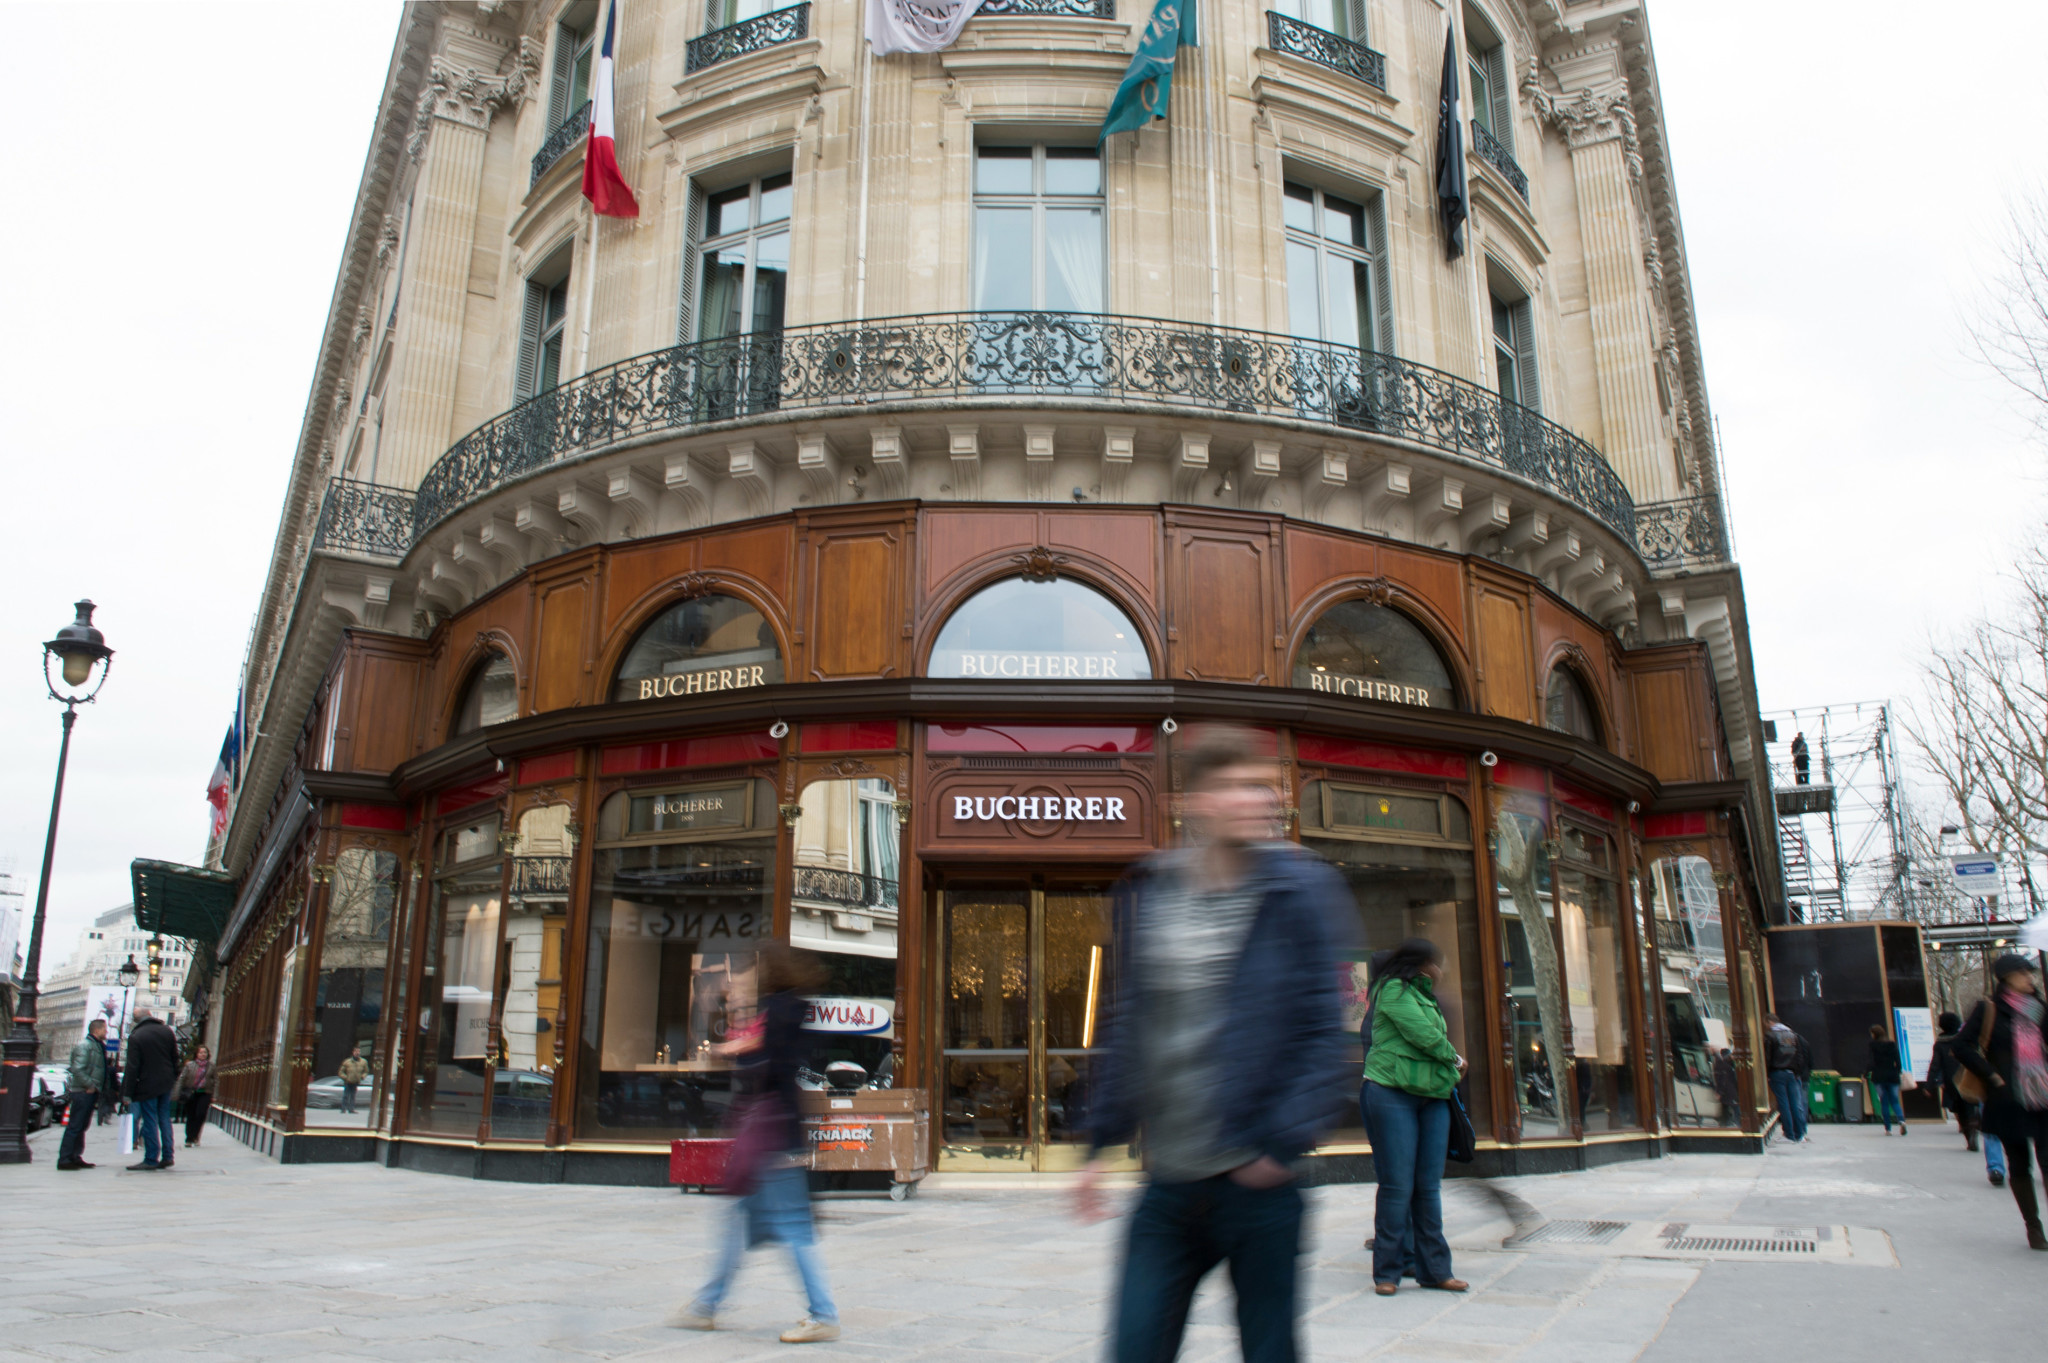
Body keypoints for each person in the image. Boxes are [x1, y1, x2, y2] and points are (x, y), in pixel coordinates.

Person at [1073, 726, 1350, 1363]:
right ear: (1193, 801)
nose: (1254, 799)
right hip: (1168, 1187)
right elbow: (1129, 1025)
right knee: (1135, 1347)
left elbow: (1320, 1033)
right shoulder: (1148, 890)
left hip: (1257, 1186)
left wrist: (1280, 1144)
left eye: (1260, 785)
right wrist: (1098, 1143)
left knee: (1270, 1349)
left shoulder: (1301, 891)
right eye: (1232, 787)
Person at [671, 942, 840, 1343]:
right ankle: (705, 1306)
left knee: (793, 1230)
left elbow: (767, 1067)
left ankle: (823, 1313)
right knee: (738, 1225)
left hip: (771, 1138)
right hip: (778, 1133)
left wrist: (732, 1048)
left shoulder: (777, 1011)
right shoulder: (793, 1008)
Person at [1362, 937, 1469, 1296]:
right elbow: (1422, 1034)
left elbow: (1430, 1035)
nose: (1442, 971)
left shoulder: (1427, 996)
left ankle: (1436, 1270)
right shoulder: (1391, 989)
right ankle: (1387, 1273)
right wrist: (1454, 1060)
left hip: (1432, 1097)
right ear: (1423, 965)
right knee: (1397, 1186)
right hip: (1391, 1091)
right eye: (1438, 964)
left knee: (1428, 1187)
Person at [1955, 955, 2048, 1249]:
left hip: (2044, 1096)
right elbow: (1961, 1046)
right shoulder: (1989, 1009)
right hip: (2008, 1099)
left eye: (2030, 973)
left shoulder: (2041, 1008)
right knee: (2020, 1164)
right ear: (2006, 977)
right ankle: (2033, 1227)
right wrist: (1992, 1076)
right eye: (2023, 974)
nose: (2029, 978)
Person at [1929, 1010, 2006, 1185]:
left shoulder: (1943, 1042)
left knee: (1967, 1111)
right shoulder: (1980, 1025)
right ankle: (1973, 1125)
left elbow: (1936, 1063)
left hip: (1961, 1080)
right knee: (1981, 1115)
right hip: (1989, 1077)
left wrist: (1931, 1082)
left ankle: (1971, 1131)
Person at [121, 1008, 181, 1172]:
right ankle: (168, 1156)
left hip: (147, 1084)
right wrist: (173, 1076)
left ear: (136, 1020)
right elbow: (175, 1057)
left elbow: (133, 1067)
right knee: (164, 1118)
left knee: (150, 1120)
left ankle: (151, 1158)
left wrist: (128, 1092)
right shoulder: (166, 1031)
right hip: (166, 1081)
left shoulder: (137, 1036)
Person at [55, 1019, 110, 1171]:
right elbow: (77, 1068)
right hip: (83, 1091)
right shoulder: (85, 1046)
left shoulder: (95, 1046)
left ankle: (75, 1156)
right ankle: (65, 1158)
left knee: (81, 1126)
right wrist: (90, 1085)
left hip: (89, 1091)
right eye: (104, 1029)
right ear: (97, 1030)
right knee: (75, 1125)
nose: (106, 1032)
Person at [1763, 1013, 1811, 1144]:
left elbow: (1767, 1057)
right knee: (1795, 1103)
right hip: (1792, 1073)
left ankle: (1789, 1133)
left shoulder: (1770, 1036)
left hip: (1777, 1072)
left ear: (1768, 1022)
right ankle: (1799, 1133)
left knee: (1784, 1104)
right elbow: (1800, 1056)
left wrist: (1766, 1073)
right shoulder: (1792, 1035)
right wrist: (1797, 1072)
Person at [1865, 1023, 1905, 1135]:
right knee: (1895, 1101)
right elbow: (1898, 1061)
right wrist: (1897, 1071)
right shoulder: (1892, 1044)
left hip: (1879, 1076)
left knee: (1884, 1102)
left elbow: (1871, 1062)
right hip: (1892, 1076)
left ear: (1874, 1034)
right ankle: (1901, 1121)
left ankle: (1888, 1129)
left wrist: (1866, 1074)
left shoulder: (1873, 1045)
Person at [175, 1045, 213, 1148]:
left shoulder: (211, 1066)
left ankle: (196, 1136)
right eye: (201, 1053)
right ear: (197, 1054)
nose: (203, 1054)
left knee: (200, 1114)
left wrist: (215, 1095)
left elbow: (216, 1081)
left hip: (205, 1093)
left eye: (204, 1053)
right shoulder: (190, 1065)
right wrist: (177, 1092)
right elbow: (182, 1078)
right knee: (191, 1115)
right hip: (191, 1092)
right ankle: (189, 1138)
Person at [1712, 1048, 1741, 1125]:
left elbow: (1720, 1080)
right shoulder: (1725, 1064)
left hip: (1729, 1091)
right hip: (1730, 1091)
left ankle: (1724, 1124)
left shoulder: (1725, 1064)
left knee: (1726, 1108)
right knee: (1734, 1108)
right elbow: (1721, 1079)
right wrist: (1719, 1091)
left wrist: (1719, 1091)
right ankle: (1736, 1124)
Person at [338, 1046, 369, 1115]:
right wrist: (346, 1077)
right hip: (348, 1081)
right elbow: (340, 1072)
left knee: (353, 1096)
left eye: (358, 1051)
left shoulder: (363, 1062)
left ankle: (351, 1109)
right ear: (353, 1052)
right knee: (346, 1095)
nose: (357, 1053)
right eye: (356, 1051)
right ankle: (343, 1109)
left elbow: (366, 1071)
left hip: (356, 1081)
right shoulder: (347, 1062)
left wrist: (363, 1076)